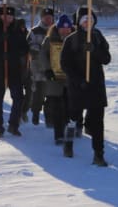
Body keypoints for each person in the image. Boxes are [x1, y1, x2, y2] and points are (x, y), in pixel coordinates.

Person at [60, 6, 111, 166]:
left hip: (96, 86)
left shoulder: (98, 36)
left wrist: (94, 50)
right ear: (79, 22)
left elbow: (106, 59)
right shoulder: (71, 39)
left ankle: (98, 154)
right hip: (78, 87)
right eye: (84, 20)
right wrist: (78, 80)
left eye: (90, 20)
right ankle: (68, 145)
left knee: (98, 122)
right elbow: (65, 64)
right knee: (73, 119)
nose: (88, 23)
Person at [0, 6, 29, 137]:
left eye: (10, 16)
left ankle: (13, 125)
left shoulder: (16, 30)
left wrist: (15, 52)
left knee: (19, 98)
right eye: (4, 16)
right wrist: (0, 38)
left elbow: (24, 48)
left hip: (13, 70)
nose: (7, 18)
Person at [40, 14, 74, 145]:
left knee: (69, 107)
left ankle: (69, 130)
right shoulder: (49, 40)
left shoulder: (74, 39)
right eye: (62, 28)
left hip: (70, 80)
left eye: (67, 28)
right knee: (56, 108)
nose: (65, 31)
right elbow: (42, 55)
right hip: (54, 79)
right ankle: (58, 135)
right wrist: (47, 69)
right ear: (58, 28)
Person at [26, 8, 54, 126]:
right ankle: (36, 114)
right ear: (41, 18)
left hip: (51, 67)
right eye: (46, 17)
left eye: (50, 17)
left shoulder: (54, 31)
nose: (48, 19)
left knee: (51, 94)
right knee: (38, 92)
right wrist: (41, 51)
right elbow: (29, 45)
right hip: (37, 67)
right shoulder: (34, 31)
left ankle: (49, 117)